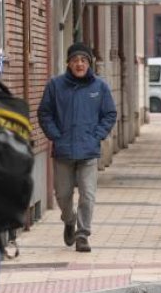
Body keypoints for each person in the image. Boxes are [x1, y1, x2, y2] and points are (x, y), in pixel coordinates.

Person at [38, 42, 118, 252]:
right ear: (68, 63)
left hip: (88, 151)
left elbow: (110, 114)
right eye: (75, 60)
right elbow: (44, 113)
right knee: (62, 195)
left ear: (89, 63)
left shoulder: (99, 87)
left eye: (83, 60)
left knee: (87, 195)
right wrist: (56, 135)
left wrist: (97, 136)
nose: (79, 64)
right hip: (63, 151)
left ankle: (83, 235)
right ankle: (69, 219)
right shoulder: (55, 86)